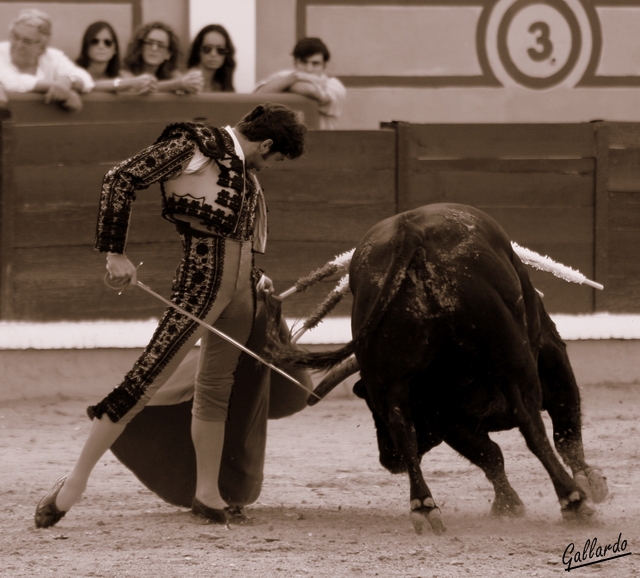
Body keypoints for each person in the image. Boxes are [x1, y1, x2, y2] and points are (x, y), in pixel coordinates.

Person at [34, 103, 307, 529]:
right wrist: (114, 253)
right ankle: (75, 483)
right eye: (273, 159)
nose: (268, 167)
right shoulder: (193, 145)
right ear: (267, 143)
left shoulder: (240, 169)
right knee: (143, 381)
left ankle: (208, 495)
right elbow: (120, 178)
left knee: (216, 388)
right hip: (198, 288)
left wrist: (254, 276)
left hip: (239, 294)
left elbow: (234, 235)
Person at [0, 9, 94, 111]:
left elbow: (86, 79)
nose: (19, 45)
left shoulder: (53, 57)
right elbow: (10, 81)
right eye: (15, 37)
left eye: (27, 41)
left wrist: (69, 80)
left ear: (42, 47)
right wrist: (62, 90)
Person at [254, 37, 346, 130]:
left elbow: (311, 91)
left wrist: (285, 85)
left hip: (322, 140)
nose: (309, 69)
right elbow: (258, 96)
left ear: (324, 65)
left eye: (315, 63)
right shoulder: (288, 76)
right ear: (295, 62)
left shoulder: (334, 85)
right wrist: (294, 78)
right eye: (304, 62)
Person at [122, 21, 203, 95]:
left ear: (168, 54)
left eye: (160, 45)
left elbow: (183, 82)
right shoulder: (124, 72)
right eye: (149, 43)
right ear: (141, 47)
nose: (154, 48)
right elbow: (139, 87)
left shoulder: (172, 74)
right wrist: (178, 84)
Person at [75, 21, 155, 95]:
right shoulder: (75, 71)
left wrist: (147, 85)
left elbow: (141, 87)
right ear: (86, 47)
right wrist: (128, 83)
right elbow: (89, 85)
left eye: (107, 42)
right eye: (94, 42)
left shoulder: (123, 75)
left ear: (114, 49)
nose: (101, 46)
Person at [187, 24, 236, 93]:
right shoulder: (188, 82)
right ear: (198, 51)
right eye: (207, 49)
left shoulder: (221, 85)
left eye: (220, 50)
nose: (213, 54)